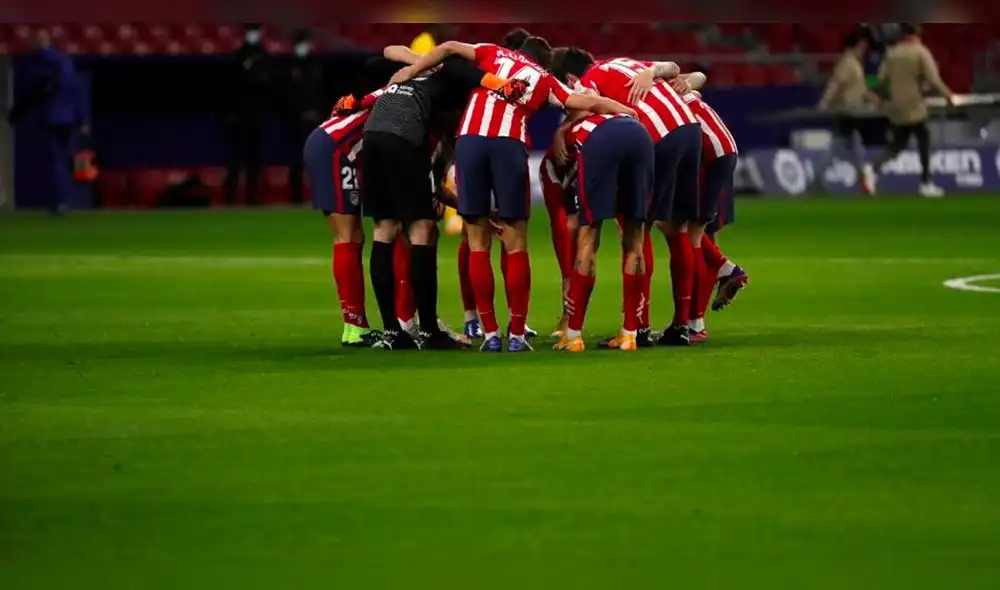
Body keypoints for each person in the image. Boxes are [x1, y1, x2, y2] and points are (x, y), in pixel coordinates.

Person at [391, 37, 636, 353]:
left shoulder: (493, 53)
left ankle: (490, 333)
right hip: (508, 144)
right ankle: (517, 334)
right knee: (515, 239)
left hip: (470, 141)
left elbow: (449, 46)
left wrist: (412, 70)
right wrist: (626, 110)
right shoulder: (546, 80)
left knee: (477, 239)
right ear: (545, 63)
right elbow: (588, 103)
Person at [363, 51, 528, 350]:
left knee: (384, 229)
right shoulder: (452, 71)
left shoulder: (413, 72)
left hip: (373, 134)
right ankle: (428, 331)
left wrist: (417, 62)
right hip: (403, 136)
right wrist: (504, 85)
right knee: (423, 229)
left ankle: (392, 333)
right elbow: (478, 79)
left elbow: (385, 51)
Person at [557, 51, 703, 346]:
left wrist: (561, 130)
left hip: (655, 136)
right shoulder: (627, 63)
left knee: (635, 228)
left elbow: (582, 108)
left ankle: (639, 328)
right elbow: (676, 66)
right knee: (679, 229)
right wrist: (651, 73)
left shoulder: (589, 80)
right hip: (690, 130)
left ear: (571, 78)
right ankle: (684, 324)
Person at [550, 107, 654, 353]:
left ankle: (573, 336)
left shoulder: (565, 140)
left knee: (589, 238)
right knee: (634, 237)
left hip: (600, 143)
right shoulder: (603, 112)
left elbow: (573, 221)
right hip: (641, 136)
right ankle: (630, 335)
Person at [302, 71, 388, 347]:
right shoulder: (400, 95)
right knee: (348, 237)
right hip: (337, 149)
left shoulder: (385, 94)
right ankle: (354, 326)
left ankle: (356, 324)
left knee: (353, 238)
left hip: (328, 142)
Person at [862, 23, 954, 198]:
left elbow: (881, 81)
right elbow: (933, 79)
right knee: (924, 140)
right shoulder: (920, 52)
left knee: (897, 146)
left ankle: (873, 167)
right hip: (915, 105)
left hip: (896, 108)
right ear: (916, 34)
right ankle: (926, 183)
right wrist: (948, 95)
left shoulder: (892, 54)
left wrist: (878, 96)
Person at [7, 28, 86, 215]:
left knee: (54, 161)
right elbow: (75, 92)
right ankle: (65, 200)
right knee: (63, 160)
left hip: (51, 117)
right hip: (68, 118)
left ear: (36, 41)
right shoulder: (65, 61)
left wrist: (15, 113)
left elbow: (33, 91)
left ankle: (60, 203)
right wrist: (81, 119)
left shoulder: (37, 62)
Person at [815, 30, 872, 192]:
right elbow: (835, 84)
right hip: (846, 112)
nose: (865, 49)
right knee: (836, 149)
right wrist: (825, 102)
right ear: (857, 45)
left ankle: (864, 183)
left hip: (854, 112)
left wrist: (871, 97)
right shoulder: (847, 63)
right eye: (863, 45)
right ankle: (818, 179)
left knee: (856, 148)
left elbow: (858, 87)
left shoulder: (855, 63)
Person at [225, 24, 271, 206]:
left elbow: (267, 85)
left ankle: (253, 199)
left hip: (257, 116)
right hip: (239, 116)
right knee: (235, 161)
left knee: (255, 161)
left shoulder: (263, 58)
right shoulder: (237, 57)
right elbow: (230, 87)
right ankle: (231, 198)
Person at [281, 30, 325, 205]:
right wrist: (298, 113)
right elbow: (284, 95)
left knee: (316, 160)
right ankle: (296, 197)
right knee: (295, 161)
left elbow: (320, 93)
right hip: (294, 121)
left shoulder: (314, 65)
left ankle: (319, 196)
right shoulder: (288, 66)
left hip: (314, 121)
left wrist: (316, 112)